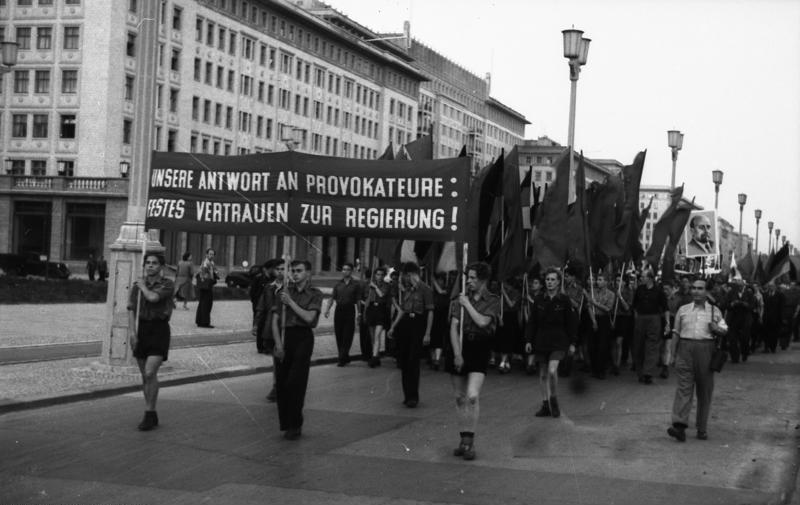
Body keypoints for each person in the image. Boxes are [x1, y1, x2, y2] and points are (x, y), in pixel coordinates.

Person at [446, 262, 500, 460]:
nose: (468, 281)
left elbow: (483, 322)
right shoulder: (458, 299)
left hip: (480, 346)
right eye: (467, 277)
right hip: (460, 346)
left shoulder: (493, 300)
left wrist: (467, 304)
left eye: (472, 278)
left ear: (483, 280)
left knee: (472, 396)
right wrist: (457, 354)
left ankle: (470, 441)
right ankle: (463, 440)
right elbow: (454, 327)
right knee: (460, 398)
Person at [667, 278, 727, 442]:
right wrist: (673, 354)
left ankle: (702, 428)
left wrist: (717, 328)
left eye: (700, 288)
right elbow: (676, 333)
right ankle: (679, 426)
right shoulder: (683, 310)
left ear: (707, 292)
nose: (696, 291)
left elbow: (724, 329)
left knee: (704, 391)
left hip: (706, 351)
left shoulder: (715, 311)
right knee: (683, 389)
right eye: (693, 288)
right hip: (685, 350)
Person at [270, 259, 323, 440]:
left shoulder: (315, 294)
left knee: (295, 382)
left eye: (299, 271)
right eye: (292, 271)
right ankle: (286, 423)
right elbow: (275, 321)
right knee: (282, 382)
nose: (295, 274)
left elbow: (309, 318)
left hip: (303, 338)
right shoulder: (284, 292)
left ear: (308, 273)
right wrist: (278, 345)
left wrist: (291, 303)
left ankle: (295, 424)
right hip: (284, 337)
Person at [127, 253, 175, 431]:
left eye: (154, 263)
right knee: (145, 376)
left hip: (159, 330)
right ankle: (151, 412)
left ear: (161, 266)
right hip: (142, 330)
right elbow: (131, 310)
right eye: (147, 263)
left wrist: (142, 287)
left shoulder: (167, 284)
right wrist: (132, 333)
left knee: (149, 372)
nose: (150, 266)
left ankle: (149, 412)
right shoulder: (137, 286)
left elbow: (153, 298)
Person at [525, 267, 578, 418]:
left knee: (552, 370)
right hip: (541, 341)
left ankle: (553, 399)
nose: (549, 282)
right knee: (543, 374)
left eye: (553, 279)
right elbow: (532, 322)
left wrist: (573, 343)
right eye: (548, 279)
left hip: (559, 341)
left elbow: (571, 323)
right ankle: (545, 404)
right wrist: (528, 340)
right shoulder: (539, 299)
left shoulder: (564, 300)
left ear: (558, 282)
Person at [387, 262, 434, 408]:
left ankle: (413, 396)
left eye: (406, 275)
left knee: (413, 361)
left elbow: (430, 312)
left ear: (412, 274)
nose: (405, 278)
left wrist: (427, 333)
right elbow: (402, 310)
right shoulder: (407, 290)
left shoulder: (426, 289)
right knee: (404, 361)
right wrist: (393, 327)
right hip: (405, 325)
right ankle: (406, 395)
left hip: (418, 325)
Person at [253, 259, 285, 401]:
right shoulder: (268, 287)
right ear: (274, 271)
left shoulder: (290, 288)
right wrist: (255, 324)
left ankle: (281, 386)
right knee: (276, 360)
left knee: (284, 360)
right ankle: (276, 386)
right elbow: (260, 307)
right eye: (278, 269)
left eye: (283, 269)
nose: (280, 271)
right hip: (270, 328)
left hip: (286, 328)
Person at [632, 268, 670, 384]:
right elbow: (634, 305)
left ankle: (648, 373)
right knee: (639, 345)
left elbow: (666, 308)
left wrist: (667, 323)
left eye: (643, 277)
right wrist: (637, 318)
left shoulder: (659, 291)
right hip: (641, 318)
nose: (641, 278)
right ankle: (640, 372)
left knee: (652, 346)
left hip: (654, 319)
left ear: (650, 278)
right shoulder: (639, 289)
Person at [325, 263, 362, 366]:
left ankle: (341, 358)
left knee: (348, 334)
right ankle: (344, 356)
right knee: (339, 334)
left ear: (351, 271)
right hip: (339, 310)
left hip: (350, 310)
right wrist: (327, 309)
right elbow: (332, 298)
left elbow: (358, 300)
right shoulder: (338, 284)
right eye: (344, 269)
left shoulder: (356, 285)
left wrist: (359, 313)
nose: (345, 271)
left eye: (348, 269)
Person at [586, 272, 615, 380]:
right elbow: (589, 307)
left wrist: (596, 303)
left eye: (600, 280)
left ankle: (601, 370)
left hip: (604, 320)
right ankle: (594, 369)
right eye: (597, 280)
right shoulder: (592, 292)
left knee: (602, 346)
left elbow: (608, 309)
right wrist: (593, 321)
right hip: (593, 318)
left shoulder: (611, 294)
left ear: (606, 282)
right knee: (591, 345)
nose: (597, 282)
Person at [364, 266, 391, 367]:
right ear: (374, 275)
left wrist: (375, 287)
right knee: (372, 336)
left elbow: (381, 295)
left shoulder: (386, 285)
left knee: (377, 335)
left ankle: (374, 358)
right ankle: (376, 355)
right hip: (371, 310)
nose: (379, 276)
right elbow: (366, 298)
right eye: (377, 274)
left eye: (381, 275)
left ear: (384, 276)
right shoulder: (369, 285)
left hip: (381, 310)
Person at [725, 279, 754, 363]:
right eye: (738, 286)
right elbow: (726, 305)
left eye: (741, 286)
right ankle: (735, 357)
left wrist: (746, 304)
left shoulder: (749, 293)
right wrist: (732, 304)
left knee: (744, 338)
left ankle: (745, 353)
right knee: (732, 339)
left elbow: (752, 306)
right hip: (733, 319)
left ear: (744, 286)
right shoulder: (731, 293)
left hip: (745, 319)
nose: (739, 288)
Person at [250, 259, 277, 353]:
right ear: (269, 268)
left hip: (268, 305)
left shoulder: (273, 278)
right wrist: (255, 303)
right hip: (259, 304)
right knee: (260, 325)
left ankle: (267, 346)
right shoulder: (259, 278)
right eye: (274, 268)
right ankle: (260, 347)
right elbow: (252, 292)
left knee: (267, 325)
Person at [496, 279, 522, 374]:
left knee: (508, 340)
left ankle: (503, 362)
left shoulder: (516, 293)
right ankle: (506, 363)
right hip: (502, 317)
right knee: (502, 340)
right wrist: (499, 318)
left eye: (506, 285)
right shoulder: (498, 293)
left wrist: (504, 293)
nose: (505, 286)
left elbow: (511, 305)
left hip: (511, 317)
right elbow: (496, 306)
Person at [613, 273, 635, 374]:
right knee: (613, 342)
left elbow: (627, 308)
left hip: (624, 318)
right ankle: (614, 363)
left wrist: (620, 297)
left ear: (624, 282)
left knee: (619, 342)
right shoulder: (613, 291)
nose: (617, 282)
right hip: (614, 317)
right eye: (616, 280)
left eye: (619, 280)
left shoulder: (629, 292)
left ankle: (617, 365)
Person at [429, 271, 451, 371]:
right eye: (438, 280)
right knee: (431, 339)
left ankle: (437, 360)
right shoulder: (431, 292)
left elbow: (441, 292)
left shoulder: (447, 290)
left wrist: (433, 281)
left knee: (439, 339)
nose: (439, 282)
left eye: (441, 280)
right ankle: (433, 359)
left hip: (441, 317)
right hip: (432, 316)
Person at [195, 248, 219, 328]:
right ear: (206, 254)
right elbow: (203, 275)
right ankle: (204, 322)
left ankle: (200, 321)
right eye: (210, 254)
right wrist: (212, 280)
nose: (211, 255)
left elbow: (215, 272)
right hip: (206, 285)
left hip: (207, 285)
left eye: (213, 254)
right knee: (206, 304)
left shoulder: (211, 263)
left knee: (203, 303)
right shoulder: (206, 263)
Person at [761, 282, 784, 353]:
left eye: (772, 286)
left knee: (774, 333)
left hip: (776, 318)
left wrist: (781, 317)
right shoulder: (765, 294)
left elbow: (781, 307)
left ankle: (773, 347)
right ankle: (766, 347)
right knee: (766, 333)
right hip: (766, 317)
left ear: (775, 287)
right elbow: (762, 306)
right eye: (770, 286)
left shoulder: (780, 295)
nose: (771, 287)